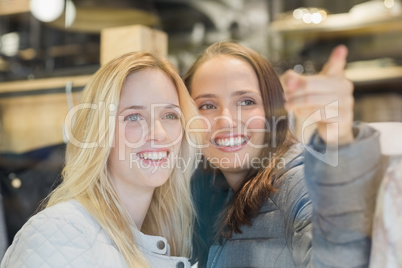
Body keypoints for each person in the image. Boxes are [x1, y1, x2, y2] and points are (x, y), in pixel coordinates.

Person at [184, 42, 382, 267]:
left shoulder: (297, 183)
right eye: (207, 106)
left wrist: (342, 140)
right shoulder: (204, 193)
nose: (226, 120)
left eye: (247, 102)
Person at [1, 51, 202, 268]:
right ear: (99, 133)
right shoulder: (62, 232)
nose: (160, 133)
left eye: (170, 115)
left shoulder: (163, 234)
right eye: (134, 117)